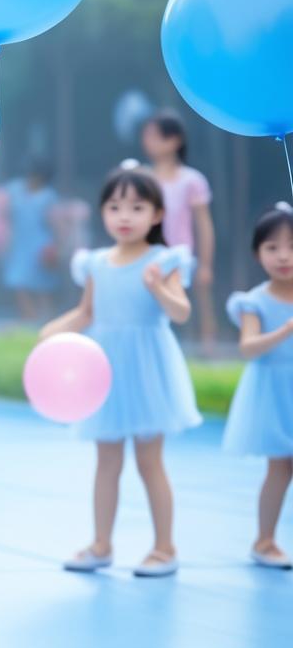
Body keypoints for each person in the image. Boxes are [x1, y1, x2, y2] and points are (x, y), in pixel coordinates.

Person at [39, 161, 201, 577]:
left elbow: (181, 312)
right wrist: (50, 333)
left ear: (157, 214)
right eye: (114, 207)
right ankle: (101, 544)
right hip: (104, 368)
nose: (124, 216)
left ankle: (165, 548)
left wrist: (158, 287)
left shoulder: (165, 261)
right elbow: (86, 312)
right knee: (106, 459)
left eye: (136, 207)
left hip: (148, 366)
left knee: (150, 461)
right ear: (103, 213)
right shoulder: (95, 263)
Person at [223, 203, 293, 569]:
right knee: (279, 468)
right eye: (272, 247)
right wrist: (283, 332)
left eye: (292, 246)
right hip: (275, 395)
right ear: (257, 253)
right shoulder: (255, 301)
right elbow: (248, 348)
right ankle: (264, 541)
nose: (284, 256)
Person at [141, 110, 216, 348]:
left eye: (154, 135)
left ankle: (208, 351)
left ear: (174, 140)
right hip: (149, 257)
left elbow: (203, 225)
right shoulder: (141, 178)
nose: (147, 141)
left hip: (183, 258)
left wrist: (205, 264)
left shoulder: (191, 180)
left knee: (198, 305)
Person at [1, 157, 59, 321]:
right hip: (19, 242)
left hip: (40, 244)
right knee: (19, 282)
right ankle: (29, 318)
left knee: (42, 284)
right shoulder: (15, 189)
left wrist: (56, 246)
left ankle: (48, 318)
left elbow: (53, 223)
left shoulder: (48, 196)